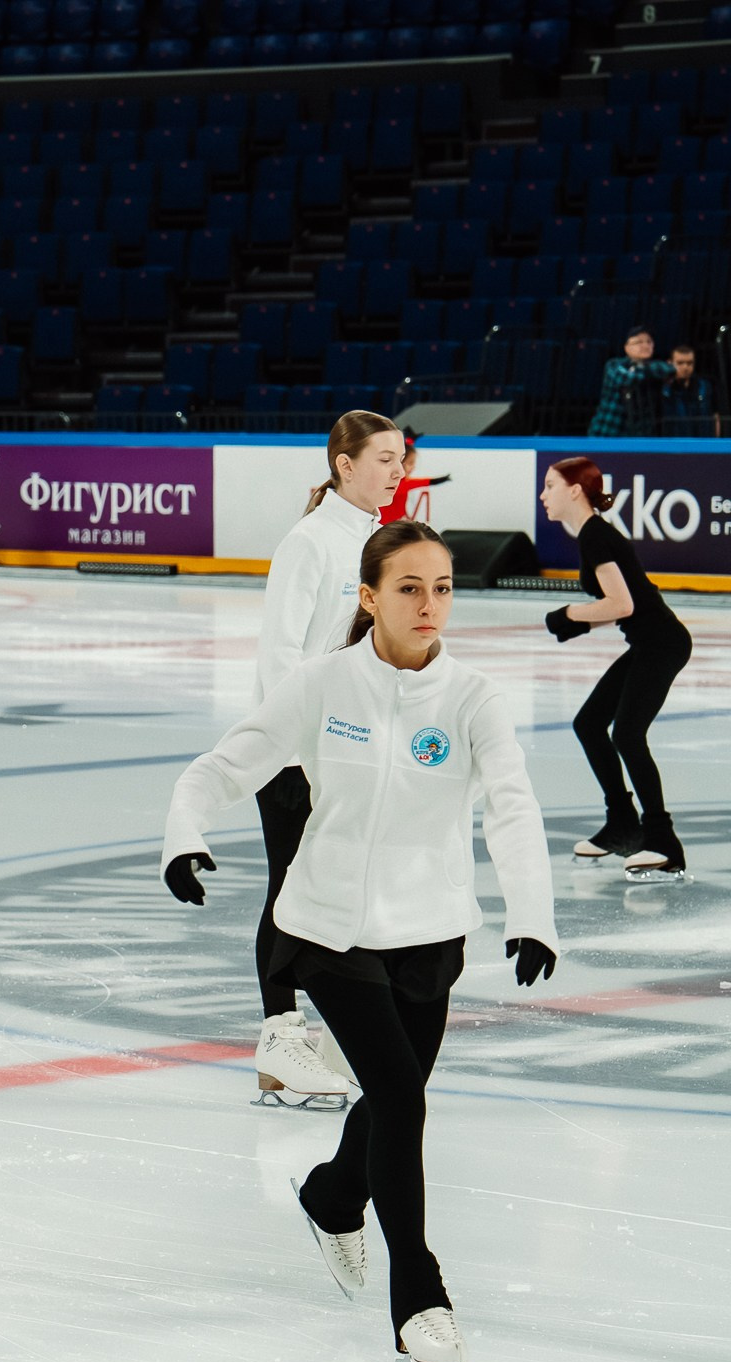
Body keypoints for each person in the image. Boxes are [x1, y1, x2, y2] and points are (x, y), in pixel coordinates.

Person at [161, 521, 559, 1362]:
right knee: (400, 1098)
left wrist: (532, 913)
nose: (430, 604)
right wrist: (182, 832)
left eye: (444, 587)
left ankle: (334, 1195)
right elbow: (225, 766)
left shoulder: (473, 697)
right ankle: (419, 1295)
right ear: (370, 597)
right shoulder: (322, 683)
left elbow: (513, 805)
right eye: (410, 587)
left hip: (430, 931)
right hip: (328, 927)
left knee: (393, 1097)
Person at [248, 411, 407, 1110]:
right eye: (385, 459)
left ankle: (314, 1037)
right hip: (293, 751)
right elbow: (281, 655)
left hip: (348, 745)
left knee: (341, 885)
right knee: (291, 885)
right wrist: (308, 745)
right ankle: (279, 1034)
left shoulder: (375, 542)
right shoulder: (309, 542)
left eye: (401, 459)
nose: (398, 472)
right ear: (345, 464)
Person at [539, 456, 695, 880]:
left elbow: (622, 604)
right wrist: (579, 623)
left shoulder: (595, 536)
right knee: (589, 723)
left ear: (575, 490)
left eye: (550, 485)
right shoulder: (593, 534)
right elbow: (627, 603)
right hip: (649, 640)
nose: (543, 495)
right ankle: (623, 824)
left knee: (626, 734)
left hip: (661, 643)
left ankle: (663, 842)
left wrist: (570, 613)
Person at [588, 325, 669, 438]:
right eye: (638, 342)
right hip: (607, 431)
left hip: (639, 435)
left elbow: (669, 369)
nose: (645, 346)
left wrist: (645, 370)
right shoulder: (614, 365)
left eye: (649, 342)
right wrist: (646, 371)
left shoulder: (657, 367)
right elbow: (628, 379)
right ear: (626, 347)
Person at [378, 429, 451, 526]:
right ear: (401, 463)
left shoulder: (398, 482)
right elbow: (421, 483)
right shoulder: (399, 484)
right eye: (410, 463)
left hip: (394, 522)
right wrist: (438, 480)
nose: (413, 467)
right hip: (387, 524)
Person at [661, 343, 715, 436]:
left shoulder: (704, 386)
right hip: (671, 445)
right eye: (680, 363)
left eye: (690, 363)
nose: (685, 367)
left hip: (702, 444)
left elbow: (715, 416)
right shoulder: (663, 389)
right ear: (670, 363)